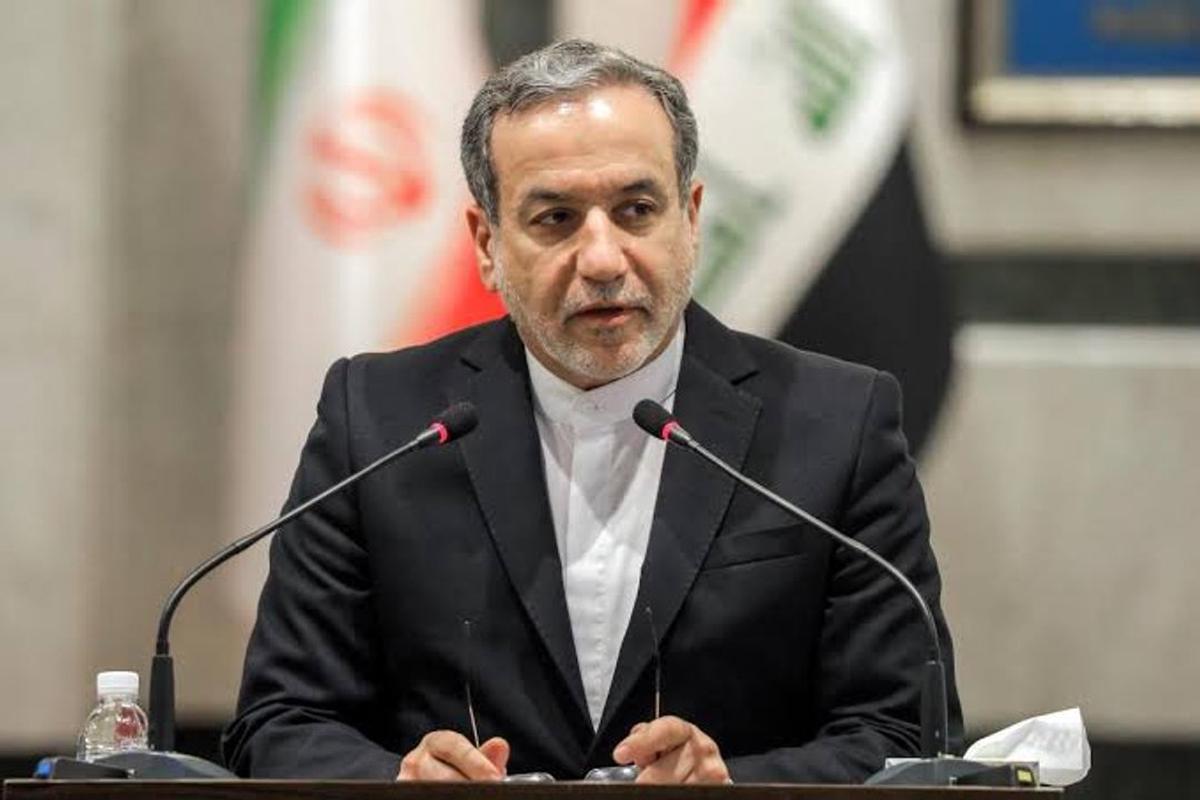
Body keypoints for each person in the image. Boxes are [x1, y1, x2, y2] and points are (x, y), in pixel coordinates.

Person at [223, 39, 962, 784]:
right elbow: (282, 721)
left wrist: (733, 787)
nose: (604, 259)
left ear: (691, 218)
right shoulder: (381, 421)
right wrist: (400, 784)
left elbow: (905, 733)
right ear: (487, 244)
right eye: (556, 218)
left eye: (637, 210)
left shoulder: (838, 424)